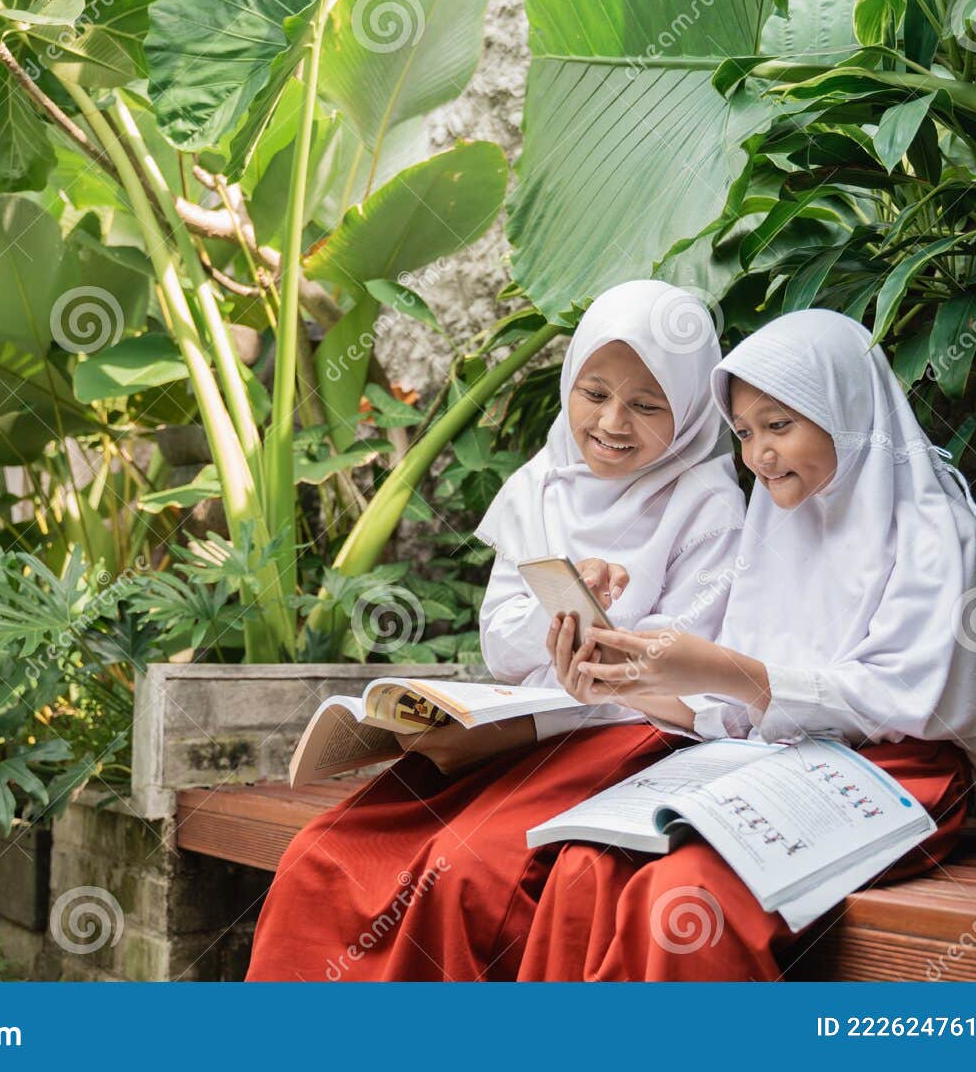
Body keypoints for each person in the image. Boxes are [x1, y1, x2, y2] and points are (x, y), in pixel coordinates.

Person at [519, 308, 976, 980]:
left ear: (847, 409)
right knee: (584, 864)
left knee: (683, 892)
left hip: (902, 775)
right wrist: (632, 683)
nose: (757, 455)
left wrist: (730, 669)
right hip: (771, 763)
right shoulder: (774, 528)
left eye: (779, 425)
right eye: (743, 432)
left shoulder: (931, 530)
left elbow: (905, 703)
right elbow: (738, 710)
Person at [243, 279, 745, 980]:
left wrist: (604, 635)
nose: (612, 421)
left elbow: (686, 666)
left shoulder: (708, 502)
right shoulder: (542, 483)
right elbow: (500, 642)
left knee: (466, 876)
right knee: (326, 853)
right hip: (518, 733)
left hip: (626, 739)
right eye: (594, 392)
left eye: (647, 404)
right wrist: (562, 605)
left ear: (689, 409)